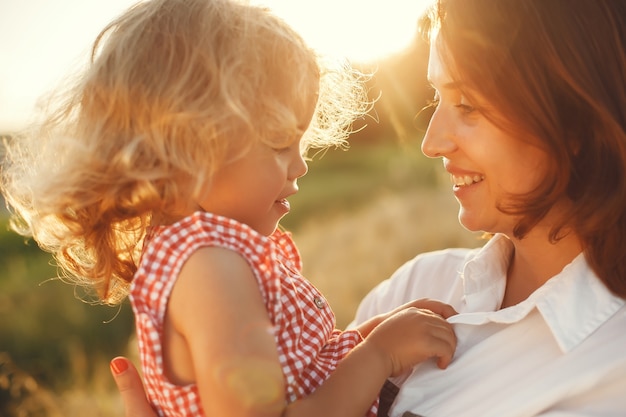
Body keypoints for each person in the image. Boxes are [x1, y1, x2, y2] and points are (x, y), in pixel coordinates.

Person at [108, 0, 626, 415]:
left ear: (576, 122)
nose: (431, 140)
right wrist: (370, 349)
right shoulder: (418, 286)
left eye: (466, 105)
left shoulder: (605, 375)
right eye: (435, 101)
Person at [0, 0, 459, 416]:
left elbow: (296, 378)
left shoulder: (212, 258)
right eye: (280, 143)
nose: (300, 165)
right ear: (187, 152)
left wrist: (361, 339)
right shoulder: (210, 270)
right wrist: (379, 354)